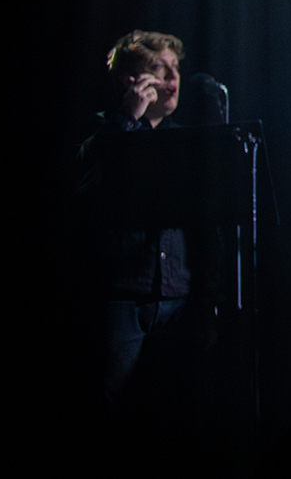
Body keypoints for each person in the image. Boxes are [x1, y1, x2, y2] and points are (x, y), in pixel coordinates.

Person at [86, 29, 222, 410]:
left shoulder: (184, 144)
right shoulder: (102, 131)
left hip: (177, 299)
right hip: (122, 296)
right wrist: (128, 122)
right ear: (130, 79)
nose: (172, 79)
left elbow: (207, 230)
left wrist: (207, 303)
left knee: (169, 411)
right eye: (158, 69)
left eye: (174, 68)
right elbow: (88, 191)